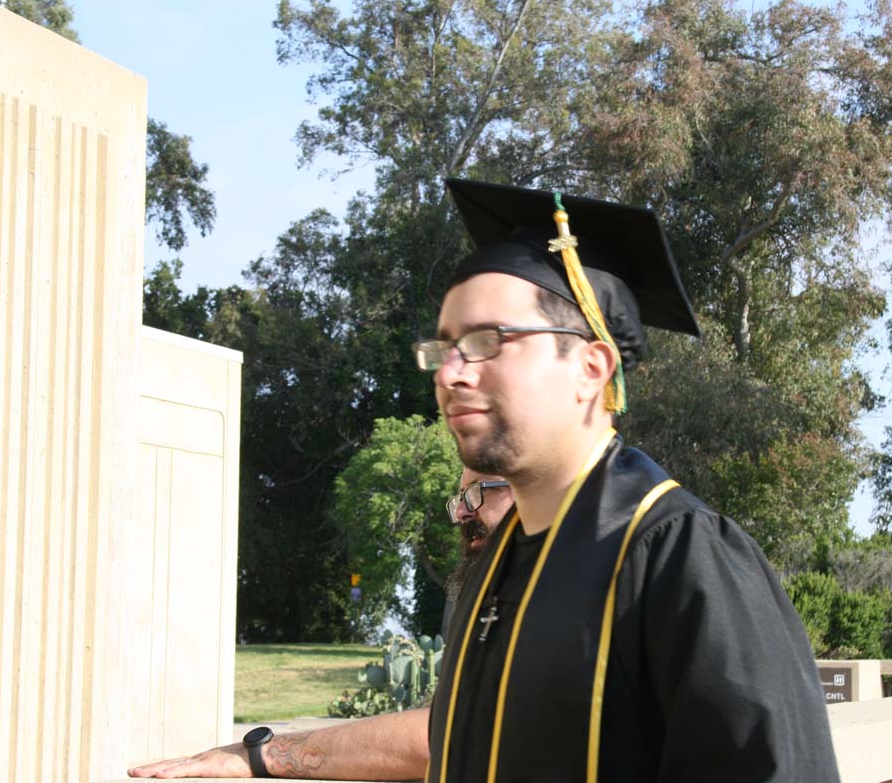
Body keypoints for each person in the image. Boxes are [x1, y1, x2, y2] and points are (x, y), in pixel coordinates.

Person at [417, 179, 840, 782]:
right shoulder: (496, 567)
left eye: (488, 342)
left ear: (591, 368)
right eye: (444, 348)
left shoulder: (680, 555)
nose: (452, 373)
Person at [127, 468, 514, 780]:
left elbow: (447, 737)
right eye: (460, 498)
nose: (462, 512)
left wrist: (259, 755)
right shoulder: (510, 597)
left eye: (476, 491)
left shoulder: (562, 591)